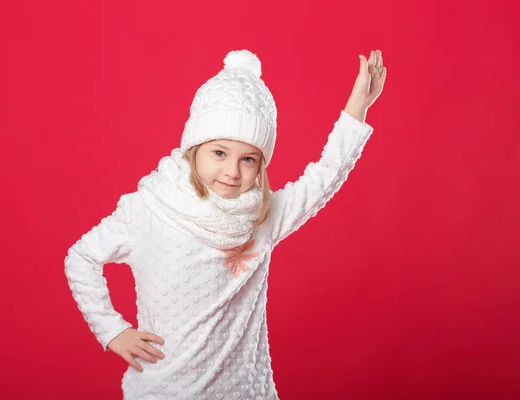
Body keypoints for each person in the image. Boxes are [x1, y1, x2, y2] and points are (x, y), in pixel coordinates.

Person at [64, 48, 387, 400]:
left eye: (248, 159)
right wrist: (112, 330)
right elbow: (81, 258)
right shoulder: (151, 207)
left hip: (243, 391)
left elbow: (325, 175)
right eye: (219, 153)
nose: (233, 171)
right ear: (195, 148)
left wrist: (358, 107)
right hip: (161, 390)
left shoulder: (262, 218)